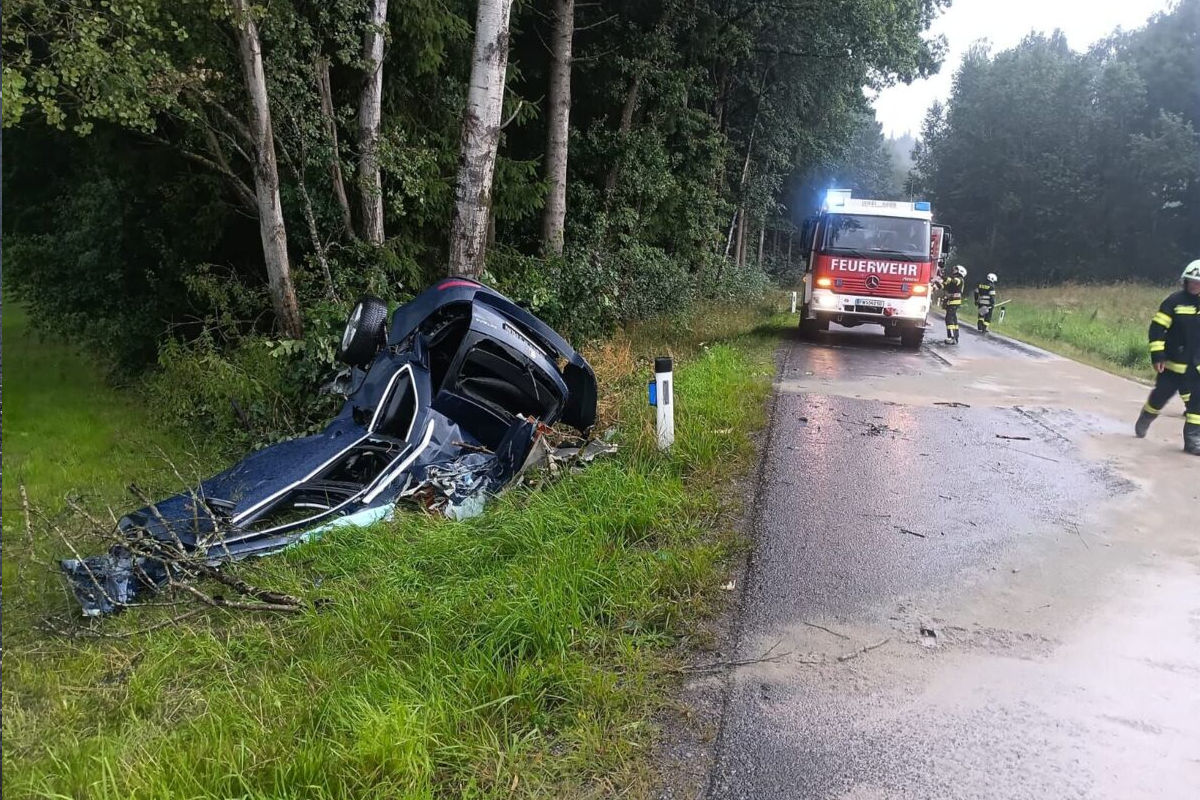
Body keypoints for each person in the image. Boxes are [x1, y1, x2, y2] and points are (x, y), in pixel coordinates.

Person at [1134, 260, 1200, 455]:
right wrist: (1157, 355)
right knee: (1159, 397)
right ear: (1185, 282)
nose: (1195, 286)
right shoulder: (1173, 301)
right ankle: (1146, 416)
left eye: (1199, 283)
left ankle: (1192, 441)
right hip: (1172, 365)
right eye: (1192, 282)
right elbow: (1157, 329)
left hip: (1196, 369)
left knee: (1197, 405)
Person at [941, 265, 967, 344]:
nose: (953, 270)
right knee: (953, 319)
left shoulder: (959, 279)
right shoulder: (953, 279)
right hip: (951, 301)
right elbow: (945, 285)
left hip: (954, 302)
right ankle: (955, 337)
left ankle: (951, 337)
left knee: (949, 319)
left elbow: (953, 281)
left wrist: (943, 277)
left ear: (960, 271)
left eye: (955, 269)